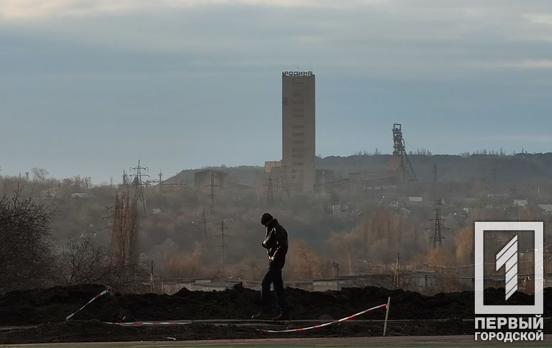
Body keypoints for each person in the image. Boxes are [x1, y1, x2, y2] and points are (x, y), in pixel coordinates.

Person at [251, 212, 289, 320]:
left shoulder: (276, 229)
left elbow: (282, 246)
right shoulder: (275, 229)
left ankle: (266, 311)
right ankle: (284, 312)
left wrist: (273, 258)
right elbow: (270, 244)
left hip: (276, 263)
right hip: (276, 263)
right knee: (278, 288)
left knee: (265, 284)